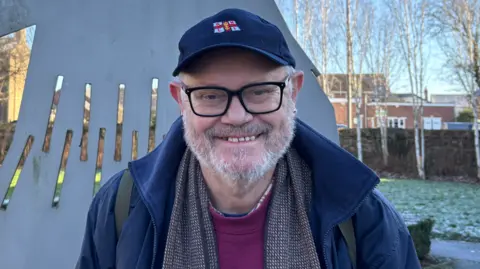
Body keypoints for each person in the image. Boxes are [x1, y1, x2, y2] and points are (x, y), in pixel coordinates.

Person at [76, 8, 421, 269]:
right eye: (210, 95)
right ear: (181, 101)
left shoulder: (363, 217)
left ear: (293, 92)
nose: (237, 117)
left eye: (259, 91)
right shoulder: (122, 209)